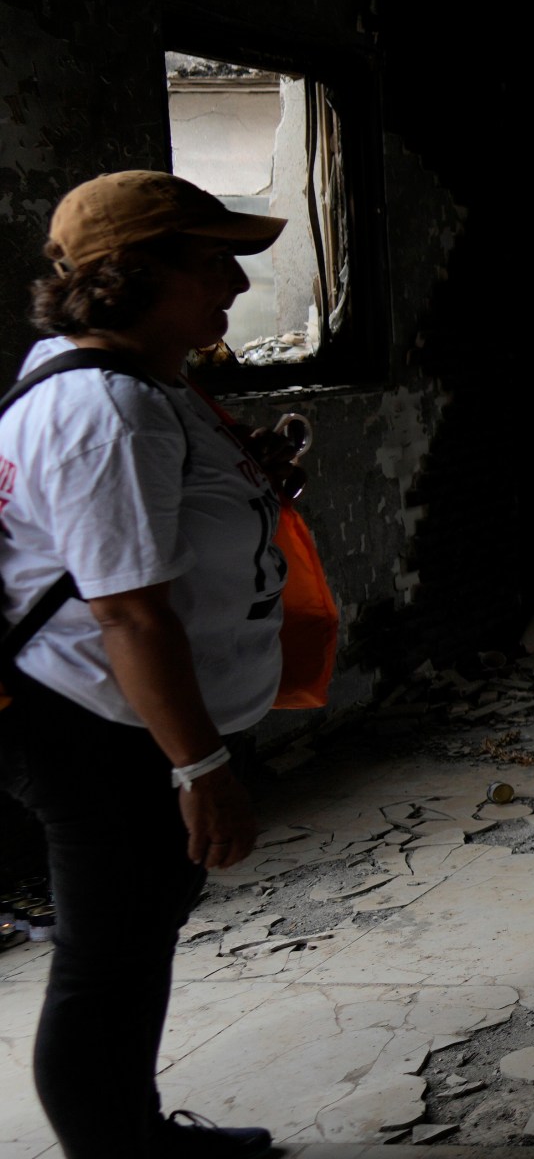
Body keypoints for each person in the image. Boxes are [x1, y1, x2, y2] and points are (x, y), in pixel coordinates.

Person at [0, 171, 302, 1159]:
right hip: (99, 725)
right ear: (133, 275)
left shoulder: (145, 383)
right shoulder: (107, 407)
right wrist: (202, 770)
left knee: (133, 946)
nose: (237, 286)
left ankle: (135, 1134)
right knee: (109, 960)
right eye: (214, 262)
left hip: (128, 721)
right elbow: (128, 612)